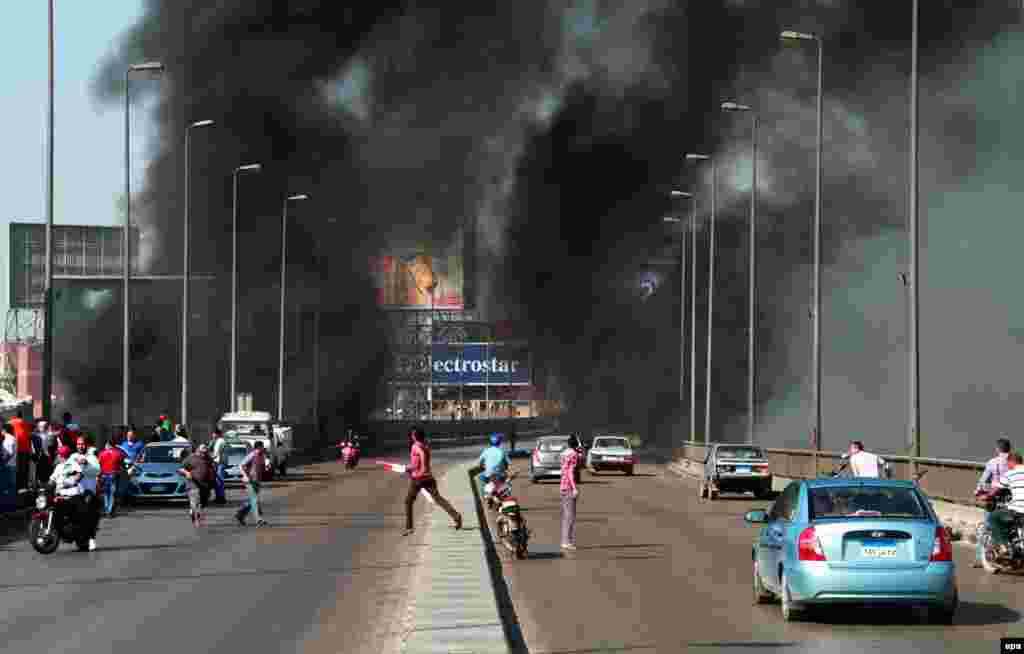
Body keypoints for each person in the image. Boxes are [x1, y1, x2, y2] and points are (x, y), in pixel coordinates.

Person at [403, 428, 462, 536]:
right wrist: (421, 468)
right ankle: (456, 516)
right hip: (428, 478)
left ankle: (409, 527)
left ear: (414, 436)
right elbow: (421, 460)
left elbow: (416, 464)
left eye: (411, 435)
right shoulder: (425, 446)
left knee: (408, 501)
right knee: (438, 499)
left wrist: (409, 468)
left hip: (418, 478)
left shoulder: (415, 446)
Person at [974, 437, 1012, 567]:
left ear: (997, 449)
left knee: (986, 526)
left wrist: (978, 491)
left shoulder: (993, 462)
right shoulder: (1015, 463)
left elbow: (983, 480)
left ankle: (981, 558)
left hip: (996, 499)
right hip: (1012, 500)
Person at [987, 451, 1024, 558]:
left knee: (993, 517)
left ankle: (1004, 546)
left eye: (1008, 464)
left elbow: (995, 490)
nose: (1008, 466)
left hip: (1018, 510)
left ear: (1012, 462)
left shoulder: (1010, 474)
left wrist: (987, 496)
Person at [49, 444, 89, 542]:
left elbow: (80, 474)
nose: (57, 456)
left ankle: (78, 531)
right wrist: (45, 487)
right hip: (60, 494)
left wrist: (71, 481)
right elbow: (52, 480)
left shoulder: (72, 464)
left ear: (61, 455)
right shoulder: (58, 467)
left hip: (72, 494)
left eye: (58, 455)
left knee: (75, 515)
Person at [73, 436, 102, 550]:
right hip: (74, 491)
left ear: (87, 445)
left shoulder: (92, 458)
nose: (80, 446)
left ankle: (91, 538)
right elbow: (65, 466)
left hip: (88, 492)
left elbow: (97, 470)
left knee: (88, 512)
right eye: (78, 444)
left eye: (82, 444)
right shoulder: (74, 456)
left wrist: (85, 463)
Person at [180, 443, 216, 527]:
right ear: (197, 449)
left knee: (203, 503)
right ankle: (197, 521)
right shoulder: (190, 458)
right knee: (196, 502)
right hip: (193, 484)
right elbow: (181, 468)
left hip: (205, 485)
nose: (205, 450)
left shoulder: (208, 458)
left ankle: (193, 512)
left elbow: (212, 468)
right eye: (203, 448)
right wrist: (187, 473)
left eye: (206, 449)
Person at [236, 441, 268, 527]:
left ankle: (240, 514)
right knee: (254, 499)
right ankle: (259, 519)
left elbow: (261, 467)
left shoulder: (262, 456)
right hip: (250, 481)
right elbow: (241, 465)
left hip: (257, 481)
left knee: (252, 500)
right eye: (261, 447)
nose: (262, 449)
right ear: (258, 447)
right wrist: (245, 476)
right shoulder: (252, 455)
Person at [560, 434, 581, 551]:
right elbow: (570, 472)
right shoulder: (573, 454)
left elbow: (564, 470)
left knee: (565, 515)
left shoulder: (564, 453)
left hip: (562, 485)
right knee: (570, 516)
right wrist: (574, 488)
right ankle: (567, 541)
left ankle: (565, 540)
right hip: (568, 486)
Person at [98, 440, 126, 517]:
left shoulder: (102, 453)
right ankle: (109, 511)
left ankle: (107, 509)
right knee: (112, 494)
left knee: (106, 493)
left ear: (108, 445)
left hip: (104, 475)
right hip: (114, 475)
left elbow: (99, 464)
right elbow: (122, 463)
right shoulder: (118, 453)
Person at [9, 410, 33, 492]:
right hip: (26, 448)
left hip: (15, 448)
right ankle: (24, 486)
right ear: (21, 416)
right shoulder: (26, 423)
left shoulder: (11, 422)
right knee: (25, 468)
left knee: (16, 468)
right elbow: (29, 435)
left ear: (14, 416)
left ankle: (17, 486)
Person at [0, 425, 17, 512]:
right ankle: (11, 505)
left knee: (9, 487)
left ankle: (10, 506)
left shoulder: (8, 439)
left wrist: (3, 463)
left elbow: (9, 454)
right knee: (11, 487)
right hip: (11, 465)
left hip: (8, 466)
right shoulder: (12, 438)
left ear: (5, 430)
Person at [210, 428, 229, 504]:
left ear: (217, 434)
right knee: (218, 481)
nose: (212, 435)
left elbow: (216, 453)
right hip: (219, 463)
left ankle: (221, 497)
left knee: (219, 481)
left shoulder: (220, 441)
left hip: (220, 463)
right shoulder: (219, 441)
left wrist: (210, 458)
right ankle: (219, 496)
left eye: (213, 433)